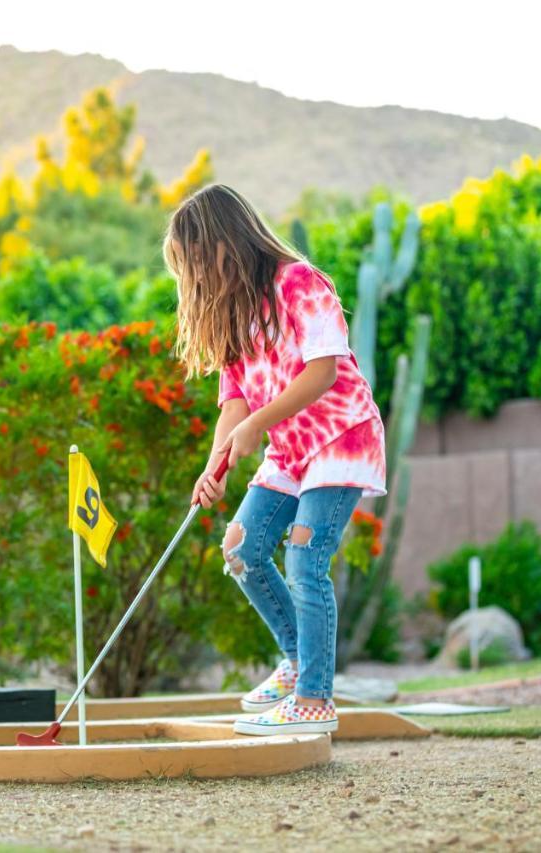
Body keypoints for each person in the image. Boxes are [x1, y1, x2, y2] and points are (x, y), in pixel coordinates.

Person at [170, 184, 385, 736]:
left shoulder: (299, 282)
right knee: (241, 547)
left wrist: (252, 428)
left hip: (341, 437)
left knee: (306, 557)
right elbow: (235, 404)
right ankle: (296, 661)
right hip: (290, 451)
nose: (194, 274)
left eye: (196, 258)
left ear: (224, 243)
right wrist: (215, 465)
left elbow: (323, 373)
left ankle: (314, 698)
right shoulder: (233, 312)